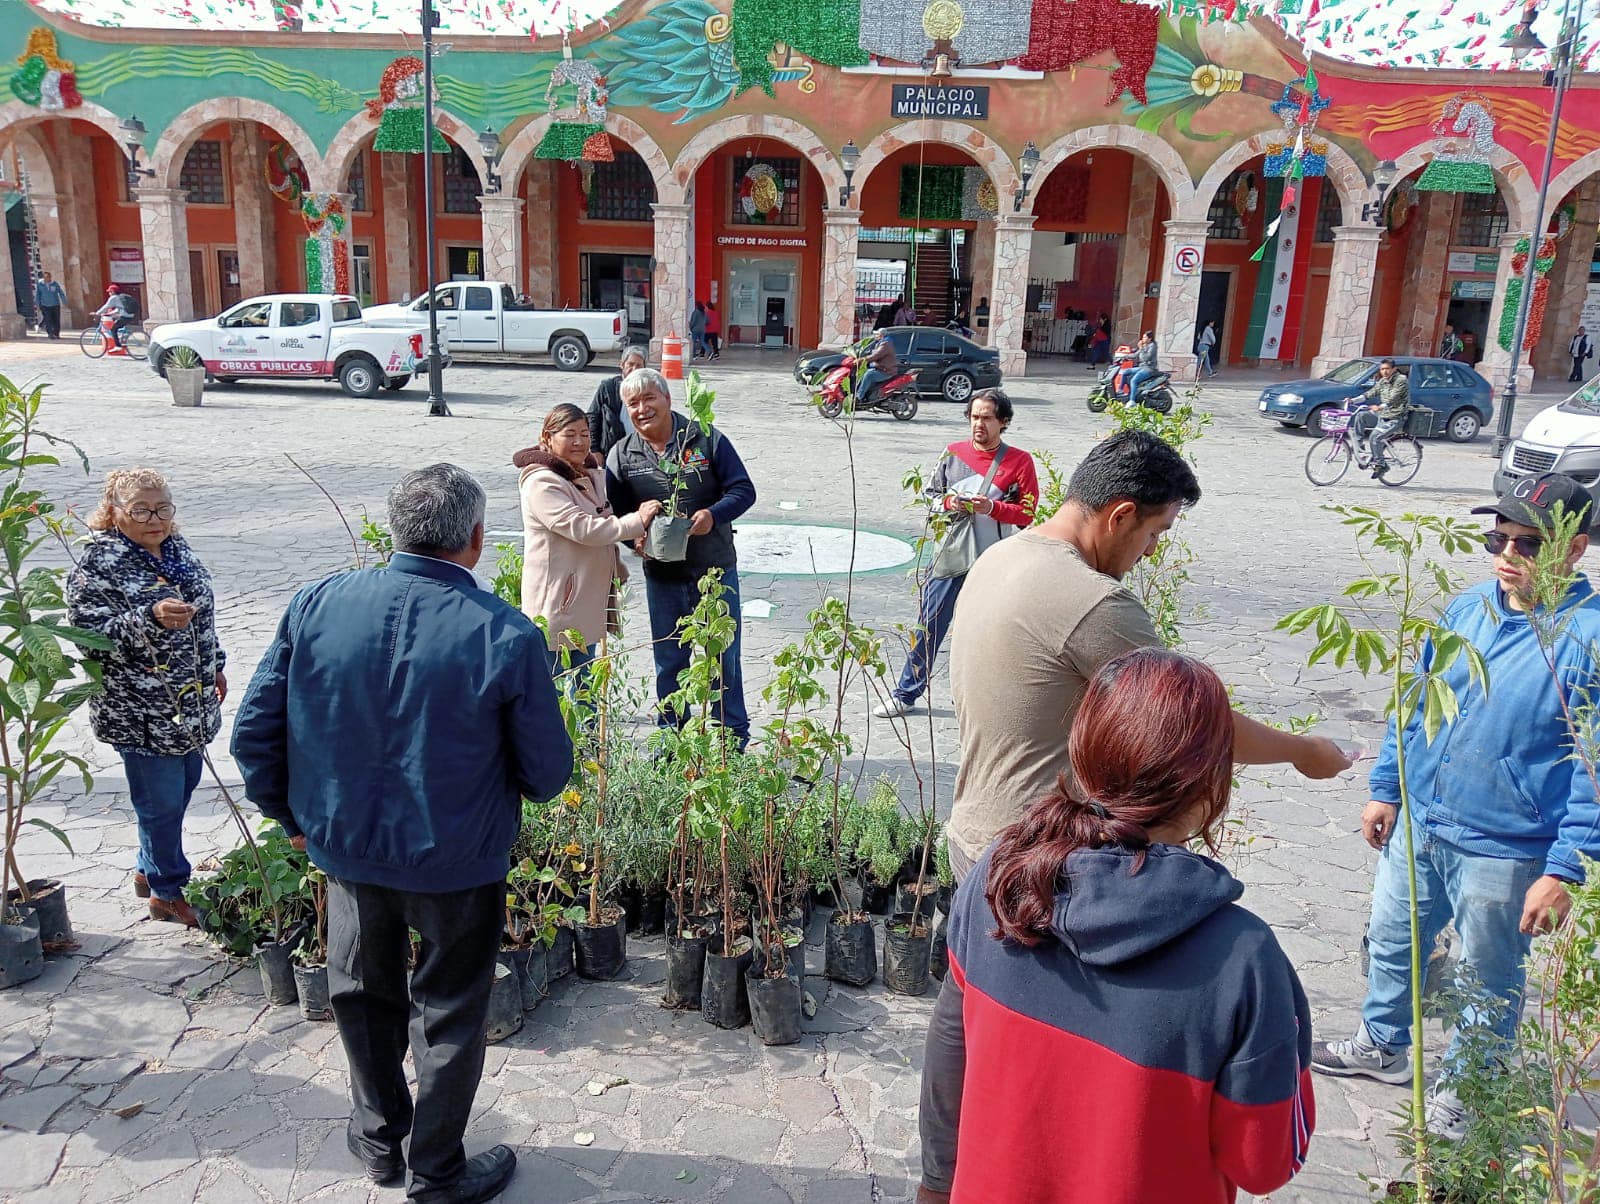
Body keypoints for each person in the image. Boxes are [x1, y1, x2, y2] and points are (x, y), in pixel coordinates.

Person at [232, 464, 572, 1204]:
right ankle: (435, 1171)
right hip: (455, 860)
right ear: (477, 540)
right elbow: (547, 773)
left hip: (350, 851)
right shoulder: (504, 634)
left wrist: (294, 818)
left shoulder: (318, 602)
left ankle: (381, 1142)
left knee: (360, 992)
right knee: (448, 1011)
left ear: (398, 530)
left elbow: (254, 734)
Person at [918, 649, 1315, 1203]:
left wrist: (936, 1186)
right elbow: (1263, 1164)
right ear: (1209, 792)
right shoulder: (1242, 959)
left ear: (1083, 759)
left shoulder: (1001, 881)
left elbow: (948, 1051)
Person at [1312, 471, 1600, 1141]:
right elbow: (1415, 703)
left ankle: (1466, 1090)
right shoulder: (1468, 608)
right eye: (1497, 537)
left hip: (1507, 845)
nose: (1506, 555)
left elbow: (1595, 773)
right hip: (1423, 821)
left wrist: (1563, 869)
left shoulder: (1588, 640)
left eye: (1526, 544)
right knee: (1391, 941)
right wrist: (1388, 786)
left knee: (1485, 978)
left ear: (1575, 549)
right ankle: (1381, 1044)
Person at [943, 430, 1352, 883]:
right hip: (1040, 864)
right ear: (1121, 516)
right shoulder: (1091, 602)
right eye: (1155, 532)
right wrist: (1304, 751)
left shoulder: (1000, 556)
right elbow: (1190, 725)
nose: (1152, 550)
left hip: (974, 836)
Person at [66, 469, 225, 928]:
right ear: (114, 512)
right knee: (160, 802)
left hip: (189, 702)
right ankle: (166, 891)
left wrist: (214, 662)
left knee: (184, 784)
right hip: (140, 708)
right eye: (140, 510)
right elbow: (90, 637)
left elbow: (204, 617)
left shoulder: (177, 551)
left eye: (162, 508)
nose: (154, 519)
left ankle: (146, 867)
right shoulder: (100, 564)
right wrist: (149, 618)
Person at [605, 368, 756, 746]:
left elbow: (744, 489)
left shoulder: (704, 438)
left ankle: (731, 738)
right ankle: (673, 739)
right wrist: (633, 543)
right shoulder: (622, 455)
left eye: (649, 398)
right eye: (633, 403)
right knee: (669, 662)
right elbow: (615, 513)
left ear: (668, 399)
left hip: (715, 571)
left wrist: (713, 515)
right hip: (663, 577)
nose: (642, 409)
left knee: (724, 658)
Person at [876, 390, 1038, 719]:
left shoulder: (1019, 461)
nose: (979, 424)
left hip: (993, 563)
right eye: (974, 416)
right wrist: (949, 503)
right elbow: (931, 496)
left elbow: (1027, 513)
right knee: (930, 622)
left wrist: (992, 507)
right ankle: (906, 693)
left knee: (991, 631)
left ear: (1003, 422)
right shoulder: (952, 454)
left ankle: (989, 699)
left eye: (987, 418)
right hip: (950, 555)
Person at [514, 403, 661, 673]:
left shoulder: (587, 474)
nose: (579, 442)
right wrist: (637, 521)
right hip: (559, 604)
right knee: (555, 690)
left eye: (585, 434)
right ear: (547, 438)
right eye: (569, 434)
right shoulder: (542, 483)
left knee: (586, 692)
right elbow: (585, 529)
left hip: (585, 602)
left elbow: (608, 516)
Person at [1349, 358, 1409, 478]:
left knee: (1375, 437)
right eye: (1382, 369)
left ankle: (1382, 465)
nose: (1384, 371)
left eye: (1387, 369)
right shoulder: (1383, 381)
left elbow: (1394, 398)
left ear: (1394, 369)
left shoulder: (1401, 380)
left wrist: (1380, 407)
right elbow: (1370, 393)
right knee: (1361, 416)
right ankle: (1360, 447)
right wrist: (1353, 400)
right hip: (1382, 415)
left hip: (1395, 417)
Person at [586, 345, 647, 459]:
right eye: (630, 364)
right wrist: (594, 449)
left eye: (639, 365)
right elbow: (593, 416)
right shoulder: (608, 388)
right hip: (611, 450)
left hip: (640, 450)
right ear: (622, 364)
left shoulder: (649, 389)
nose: (634, 369)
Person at [854, 329, 899, 406]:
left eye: (877, 334)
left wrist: (861, 360)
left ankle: (859, 396)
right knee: (864, 373)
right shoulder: (881, 343)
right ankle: (864, 394)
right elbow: (873, 353)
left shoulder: (885, 344)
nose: (875, 336)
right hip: (881, 368)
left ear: (881, 336)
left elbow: (876, 355)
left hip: (886, 371)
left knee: (868, 375)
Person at [95, 284, 135, 354]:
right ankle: (122, 339)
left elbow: (106, 306)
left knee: (113, 329)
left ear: (112, 292)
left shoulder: (113, 298)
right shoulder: (120, 297)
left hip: (125, 316)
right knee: (117, 324)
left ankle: (118, 346)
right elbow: (117, 309)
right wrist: (110, 314)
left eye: (109, 292)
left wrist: (97, 313)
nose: (109, 293)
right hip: (130, 315)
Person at [1124, 331, 1159, 400]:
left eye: (1144, 337)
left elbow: (1146, 358)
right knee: (1125, 372)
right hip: (1142, 367)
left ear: (1150, 339)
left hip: (1149, 369)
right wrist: (1123, 356)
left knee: (1134, 381)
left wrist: (1141, 348)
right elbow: (1135, 355)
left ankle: (1132, 401)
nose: (1142, 339)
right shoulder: (1144, 345)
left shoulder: (1153, 346)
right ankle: (1121, 391)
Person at [33, 271, 65, 339]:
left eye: (47, 277)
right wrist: (37, 304)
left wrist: (64, 300)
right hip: (45, 305)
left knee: (56, 319)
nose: (46, 279)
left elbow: (60, 292)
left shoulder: (54, 284)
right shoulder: (40, 284)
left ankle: (56, 333)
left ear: (50, 277)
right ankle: (50, 333)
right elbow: (38, 294)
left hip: (55, 304)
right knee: (48, 319)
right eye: (44, 277)